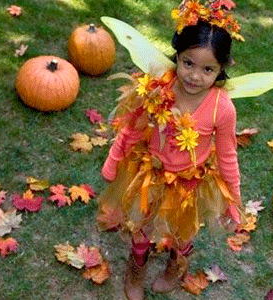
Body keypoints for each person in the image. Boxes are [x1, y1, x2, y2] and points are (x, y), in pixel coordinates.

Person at [97, 1, 245, 299]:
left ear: (221, 70)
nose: (194, 76)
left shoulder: (222, 108)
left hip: (189, 185)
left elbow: (228, 156)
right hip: (149, 178)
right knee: (141, 228)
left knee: (183, 235)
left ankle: (174, 269)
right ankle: (135, 271)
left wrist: (233, 199)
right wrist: (113, 159)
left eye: (208, 69)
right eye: (188, 63)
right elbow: (132, 127)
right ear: (177, 55)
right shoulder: (158, 89)